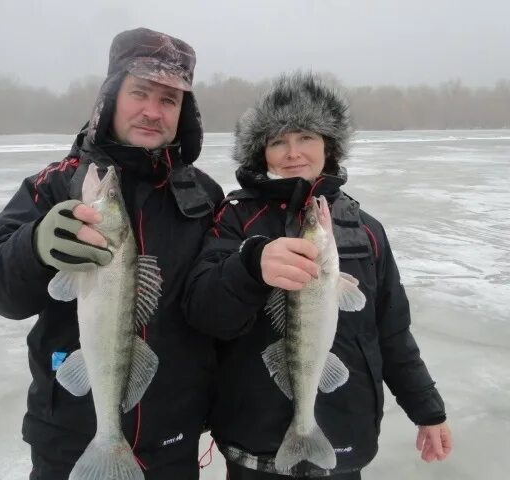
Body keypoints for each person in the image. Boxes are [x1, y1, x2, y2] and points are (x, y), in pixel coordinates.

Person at [0, 27, 224, 480]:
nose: (152, 111)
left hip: (173, 443)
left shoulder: (204, 195)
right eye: (140, 93)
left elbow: (218, 308)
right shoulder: (56, 184)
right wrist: (34, 247)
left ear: (184, 112)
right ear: (110, 97)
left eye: (169, 100)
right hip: (69, 442)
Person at [183, 72, 452, 479]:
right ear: (262, 152)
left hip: (342, 440)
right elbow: (204, 313)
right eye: (277, 141)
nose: (293, 152)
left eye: (306, 137)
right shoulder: (236, 218)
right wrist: (250, 267)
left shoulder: (365, 230)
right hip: (255, 445)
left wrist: (427, 410)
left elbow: (392, 331)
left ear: (330, 144)